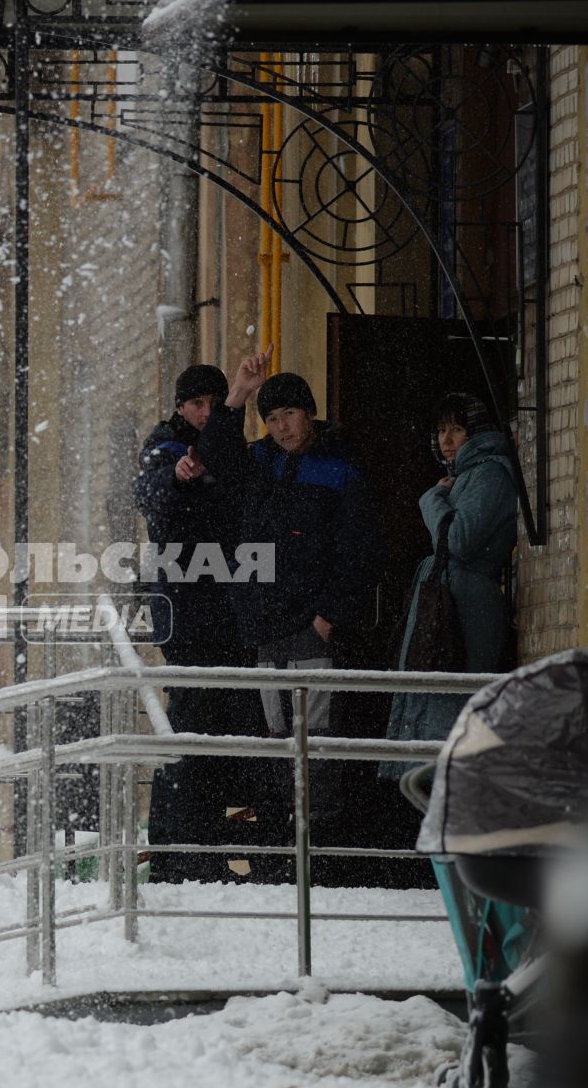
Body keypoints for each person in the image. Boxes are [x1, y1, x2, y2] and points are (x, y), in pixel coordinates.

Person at [198, 350, 382, 856]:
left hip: (311, 625)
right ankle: (284, 846)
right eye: (272, 418)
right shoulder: (260, 462)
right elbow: (216, 460)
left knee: (316, 739)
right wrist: (237, 396)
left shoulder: (339, 470)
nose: (281, 427)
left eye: (290, 415)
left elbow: (360, 551)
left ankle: (320, 846)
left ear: (310, 412)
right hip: (263, 627)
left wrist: (328, 616)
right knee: (276, 737)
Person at [133, 363, 268, 882]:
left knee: (217, 735)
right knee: (192, 733)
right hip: (190, 615)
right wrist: (176, 476)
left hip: (225, 611)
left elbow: (228, 476)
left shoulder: (219, 444)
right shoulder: (166, 448)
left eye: (216, 404)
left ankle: (195, 851)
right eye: (199, 406)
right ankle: (181, 854)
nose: (208, 413)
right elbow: (153, 498)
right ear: (180, 407)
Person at [383, 392, 519, 771]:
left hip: (467, 605)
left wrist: (432, 500)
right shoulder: (466, 475)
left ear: (475, 433)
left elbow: (458, 540)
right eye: (441, 430)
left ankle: (444, 795)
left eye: (457, 429)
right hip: (452, 596)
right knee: (435, 704)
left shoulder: (489, 473)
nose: (446, 439)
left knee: (451, 705)